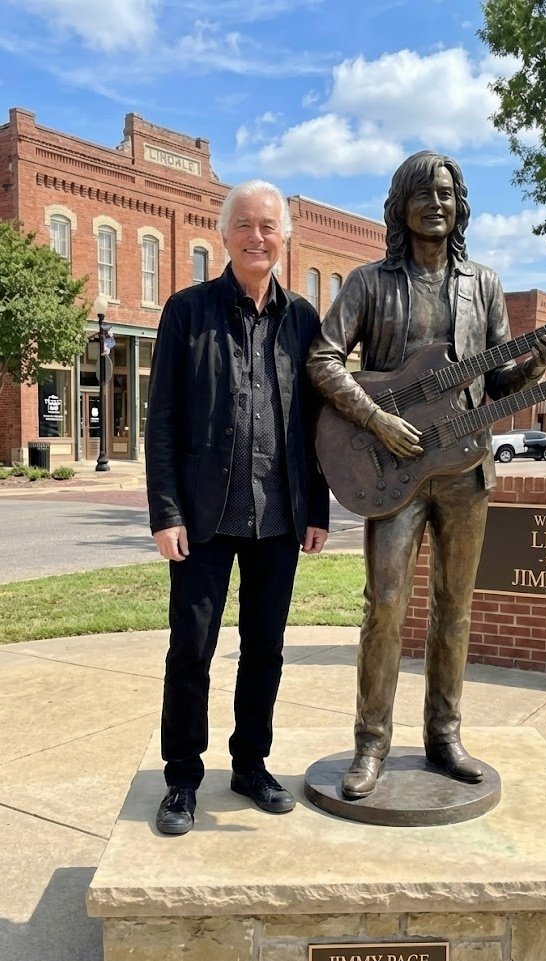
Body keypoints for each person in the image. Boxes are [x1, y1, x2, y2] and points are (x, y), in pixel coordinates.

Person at [307, 151, 546, 799]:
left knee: (456, 606)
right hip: (392, 467)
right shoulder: (368, 283)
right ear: (400, 205)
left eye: (446, 193)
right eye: (422, 193)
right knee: (386, 605)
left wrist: (532, 369)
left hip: (464, 466)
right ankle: (371, 743)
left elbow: (493, 382)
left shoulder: (485, 284)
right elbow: (323, 358)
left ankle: (444, 736)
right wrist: (378, 420)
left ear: (461, 204)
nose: (436, 203)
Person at [146, 179, 329, 834]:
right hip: (201, 518)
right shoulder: (187, 311)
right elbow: (162, 419)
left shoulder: (304, 320)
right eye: (245, 225)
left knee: (266, 647)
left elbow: (317, 422)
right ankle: (182, 778)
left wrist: (319, 508)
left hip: (278, 517)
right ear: (225, 235)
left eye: (269, 226)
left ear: (285, 236)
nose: (258, 237)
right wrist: (165, 511)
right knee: (191, 647)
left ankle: (250, 762)